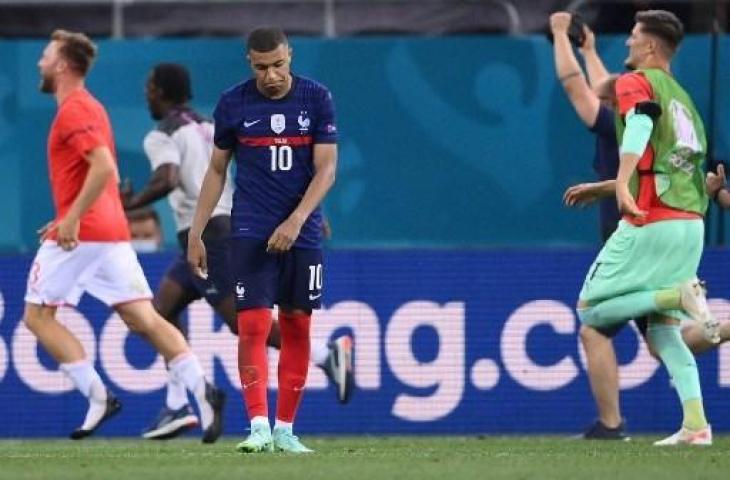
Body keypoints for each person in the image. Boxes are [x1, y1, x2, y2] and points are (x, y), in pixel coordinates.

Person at [122, 62, 354, 440]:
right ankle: (178, 404)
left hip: (211, 235)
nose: (146, 94)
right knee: (161, 312)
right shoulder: (209, 125)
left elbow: (165, 178)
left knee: (241, 322)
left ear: (159, 91)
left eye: (149, 87)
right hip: (213, 232)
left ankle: (326, 355)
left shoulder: (161, 135)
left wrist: (125, 208)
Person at [25, 29, 225, 442]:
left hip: (88, 233)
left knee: (37, 316)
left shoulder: (75, 110)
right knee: (145, 317)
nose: (39, 63)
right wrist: (66, 216)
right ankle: (201, 388)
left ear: (62, 64)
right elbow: (96, 175)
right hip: (109, 230)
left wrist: (74, 219)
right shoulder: (91, 107)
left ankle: (97, 397)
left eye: (45, 56)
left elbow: (103, 169)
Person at [552, 11, 730, 441]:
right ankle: (696, 425)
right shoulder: (683, 100)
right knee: (665, 335)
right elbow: (685, 169)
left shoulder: (637, 84)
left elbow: (638, 122)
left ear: (649, 47)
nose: (627, 44)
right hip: (691, 224)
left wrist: (621, 185)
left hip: (650, 218)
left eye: (632, 37)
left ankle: (679, 294)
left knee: (591, 313)